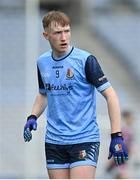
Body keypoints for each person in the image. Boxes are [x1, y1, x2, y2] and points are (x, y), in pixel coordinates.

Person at [23, 10, 128, 179]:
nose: (64, 37)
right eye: (58, 33)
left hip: (84, 139)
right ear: (46, 35)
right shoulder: (42, 62)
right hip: (54, 142)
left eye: (67, 31)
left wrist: (116, 135)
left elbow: (111, 95)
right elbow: (43, 94)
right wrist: (32, 116)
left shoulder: (86, 60)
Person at [105, 110, 134, 179]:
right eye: (130, 118)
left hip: (125, 157)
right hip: (121, 156)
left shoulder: (129, 129)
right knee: (122, 175)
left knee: (120, 175)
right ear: (126, 118)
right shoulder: (124, 130)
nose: (132, 120)